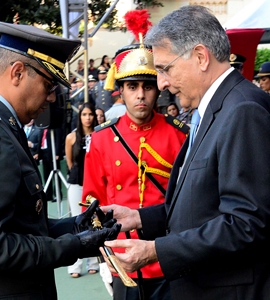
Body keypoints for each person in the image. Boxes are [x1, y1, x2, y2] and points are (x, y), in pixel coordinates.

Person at [100, 6, 270, 299]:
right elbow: (200, 205)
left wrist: (155, 250)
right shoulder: (218, 108)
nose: (161, 83)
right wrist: (139, 218)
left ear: (201, 57)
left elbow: (247, 222)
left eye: (164, 68)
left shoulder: (243, 110)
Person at [0, 21, 120, 299]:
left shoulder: (0, 125)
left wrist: (75, 227)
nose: (50, 97)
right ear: (18, 72)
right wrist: (74, 247)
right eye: (48, 84)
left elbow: (18, 224)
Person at [82, 36, 188, 300]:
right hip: (124, 263)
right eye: (132, 86)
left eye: (148, 86)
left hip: (169, 259)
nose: (141, 94)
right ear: (120, 90)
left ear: (159, 89)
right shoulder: (101, 138)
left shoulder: (180, 135)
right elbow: (91, 203)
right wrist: (105, 254)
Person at [65, 102, 100, 278]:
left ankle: (93, 261)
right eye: (84, 114)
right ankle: (75, 265)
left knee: (94, 222)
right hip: (77, 183)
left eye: (90, 114)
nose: (88, 118)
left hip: (95, 185)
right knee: (76, 222)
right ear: (80, 117)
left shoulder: (101, 134)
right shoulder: (71, 137)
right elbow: (70, 163)